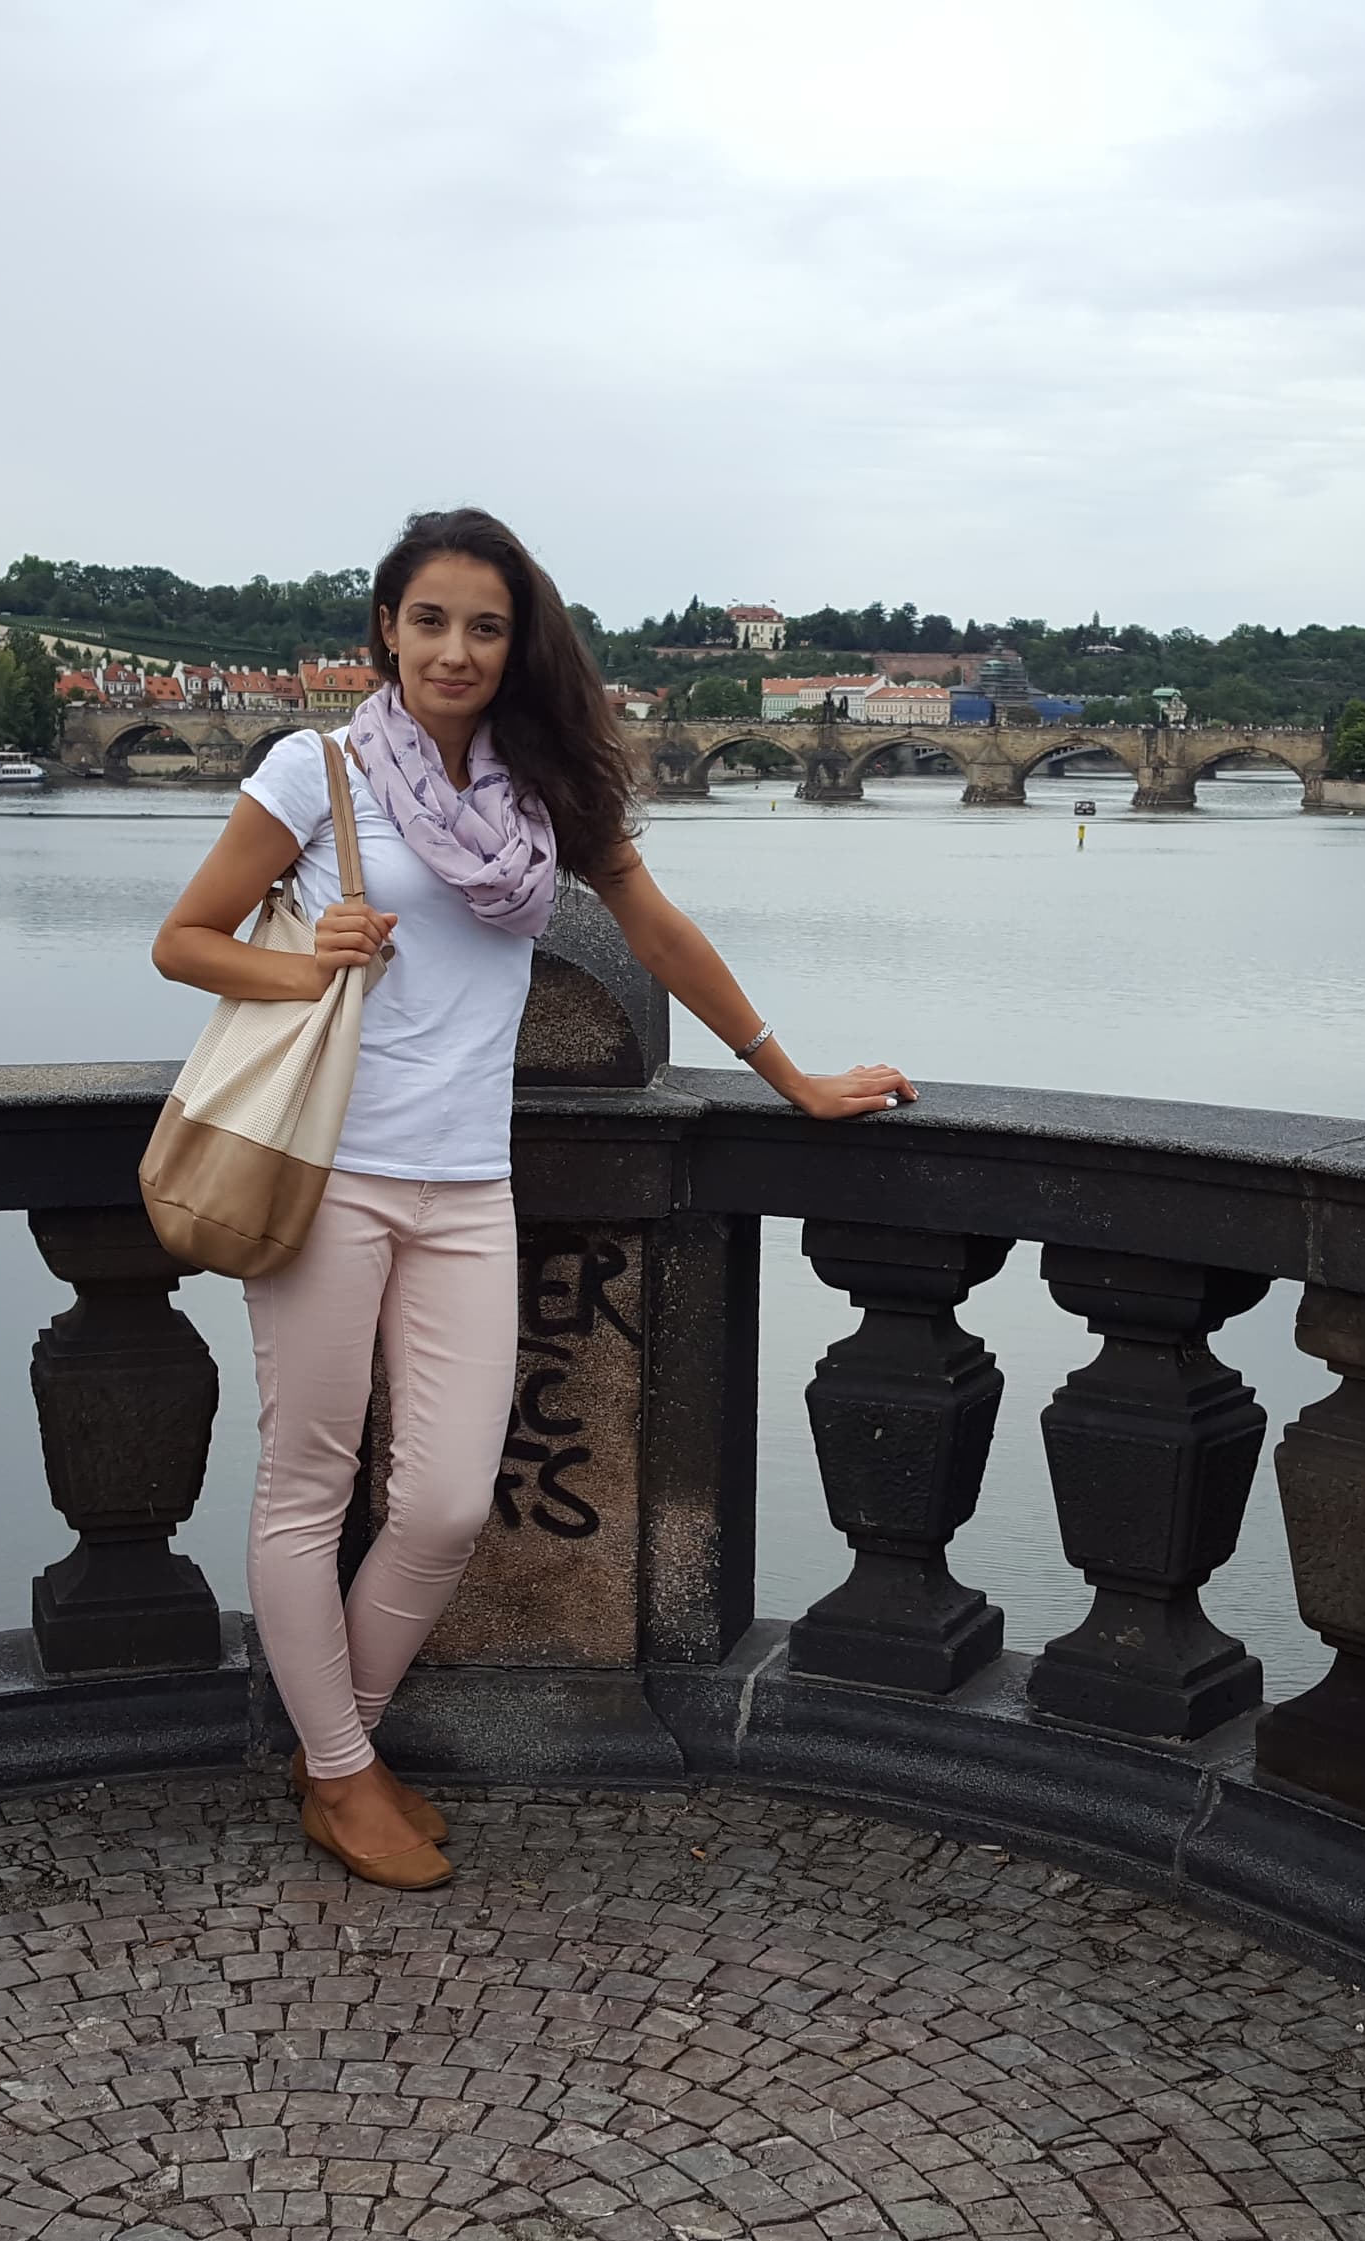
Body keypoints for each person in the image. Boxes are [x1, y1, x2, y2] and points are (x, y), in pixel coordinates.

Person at [152, 509, 911, 1890]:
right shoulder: (310, 770)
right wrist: (310, 960)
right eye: (429, 619)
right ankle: (342, 1778)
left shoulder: (538, 792)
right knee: (310, 1484)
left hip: (466, 1188)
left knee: (443, 1502)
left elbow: (657, 930)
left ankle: (345, 1751)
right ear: (383, 629)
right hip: (324, 1173)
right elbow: (184, 941)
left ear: (518, 643)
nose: (455, 649)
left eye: (484, 625)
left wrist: (788, 1072)